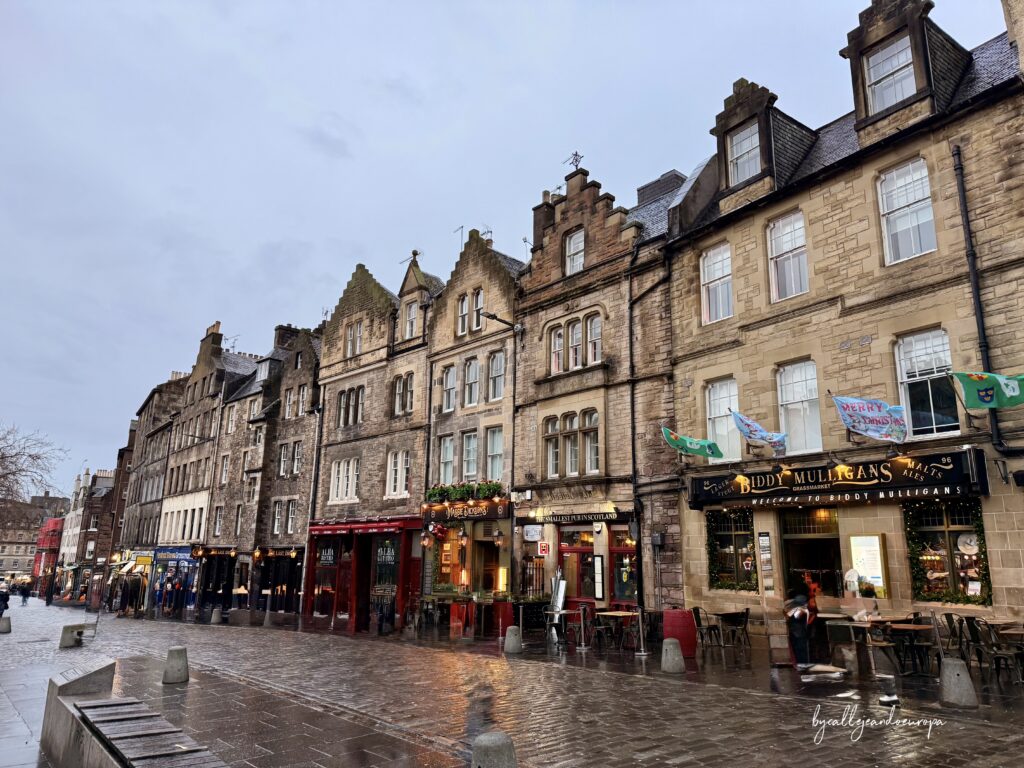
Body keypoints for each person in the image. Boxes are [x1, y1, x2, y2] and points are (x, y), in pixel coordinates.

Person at [784, 589, 810, 666]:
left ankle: (802, 665)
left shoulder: (799, 608)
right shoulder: (801, 607)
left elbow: (792, 617)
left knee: (799, 650)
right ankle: (802, 665)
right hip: (797, 631)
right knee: (800, 650)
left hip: (797, 632)